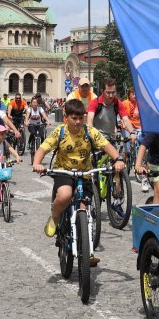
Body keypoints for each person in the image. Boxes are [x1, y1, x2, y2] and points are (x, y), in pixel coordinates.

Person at [32, 99, 125, 267]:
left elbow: (106, 146)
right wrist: (37, 163)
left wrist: (117, 159)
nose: (77, 122)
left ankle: (87, 251)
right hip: (64, 171)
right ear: (66, 117)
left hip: (85, 174)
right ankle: (54, 216)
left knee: (86, 210)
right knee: (65, 195)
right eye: (73, 118)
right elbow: (43, 149)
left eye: (80, 118)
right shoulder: (59, 132)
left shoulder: (90, 132)